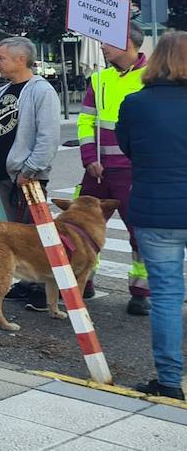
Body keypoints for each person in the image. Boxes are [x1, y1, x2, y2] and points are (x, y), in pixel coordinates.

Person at [0, 36, 60, 307]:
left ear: (20, 59)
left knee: (36, 234)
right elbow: (2, 129)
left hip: (27, 175)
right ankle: (27, 282)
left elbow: (48, 138)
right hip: (5, 173)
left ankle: (43, 288)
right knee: (17, 233)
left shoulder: (41, 91)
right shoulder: (5, 91)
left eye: (2, 58)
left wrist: (31, 170)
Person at [117, 30, 187, 401]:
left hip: (156, 210)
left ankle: (170, 380)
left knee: (166, 297)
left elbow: (128, 149)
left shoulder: (134, 104)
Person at [78, 25, 151, 315]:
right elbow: (85, 121)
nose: (102, 48)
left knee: (139, 232)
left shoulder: (152, 78)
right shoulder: (98, 78)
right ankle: (85, 281)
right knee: (82, 227)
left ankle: (140, 292)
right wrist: (87, 157)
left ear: (128, 43)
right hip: (96, 170)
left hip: (133, 171)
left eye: (108, 43)